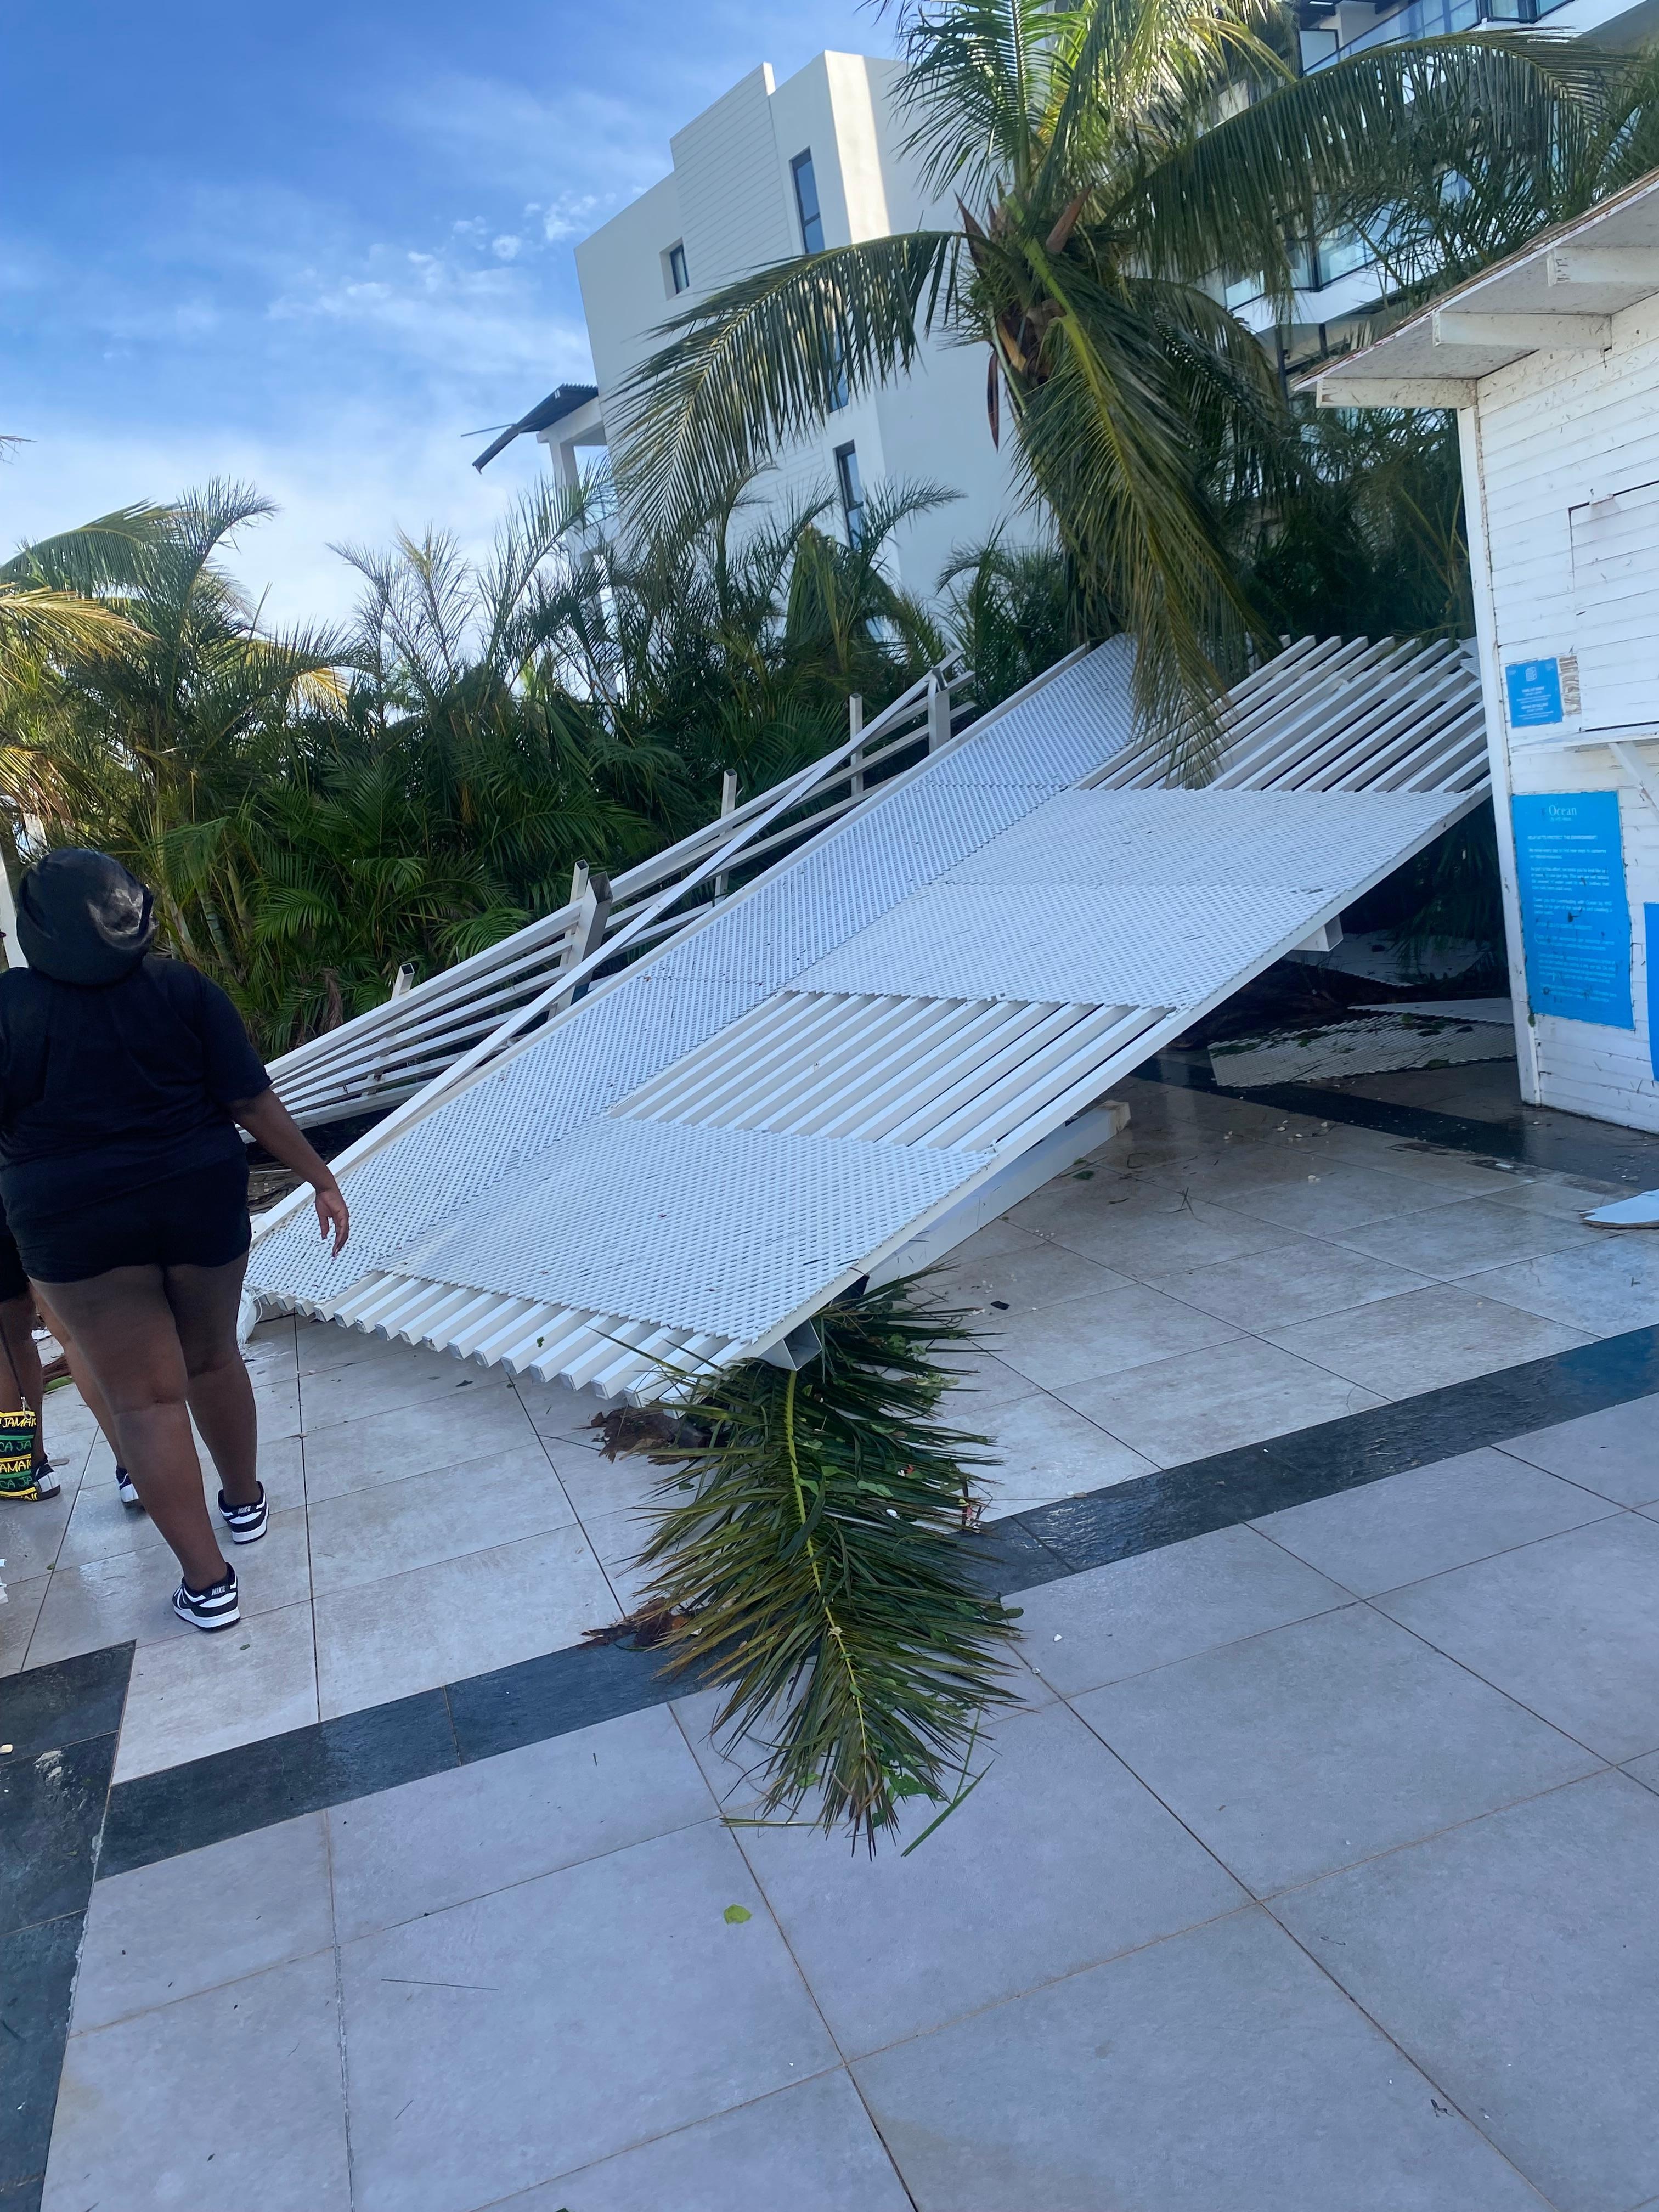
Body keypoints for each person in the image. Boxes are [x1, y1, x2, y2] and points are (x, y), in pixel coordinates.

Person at [0, 849, 349, 1630]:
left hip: (73, 1220)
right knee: (214, 1357)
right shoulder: (182, 988)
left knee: (147, 1401)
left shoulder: (8, 1007)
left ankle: (208, 1585)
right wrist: (319, 1177)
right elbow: (250, 1100)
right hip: (198, 1192)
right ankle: (244, 1502)